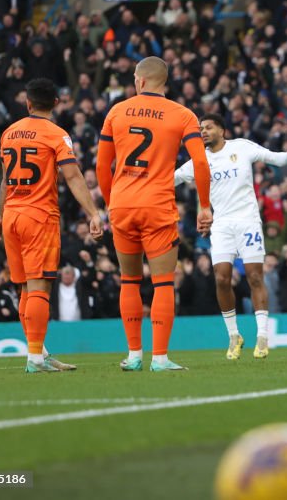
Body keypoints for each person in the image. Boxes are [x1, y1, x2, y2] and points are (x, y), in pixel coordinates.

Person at [96, 57, 212, 371]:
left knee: (129, 280)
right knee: (162, 283)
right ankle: (159, 358)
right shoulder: (183, 115)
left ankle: (134, 355)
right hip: (157, 206)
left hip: (122, 205)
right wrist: (204, 205)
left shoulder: (117, 111)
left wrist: (111, 203)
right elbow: (200, 163)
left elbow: (101, 165)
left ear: (141, 80)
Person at [0, 78, 104, 372]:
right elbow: (74, 176)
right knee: (39, 288)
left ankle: (38, 352)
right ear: (56, 102)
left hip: (12, 215)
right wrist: (93, 213)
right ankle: (36, 359)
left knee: (26, 289)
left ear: (27, 103)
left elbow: (4, 181)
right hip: (39, 216)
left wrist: (0, 216)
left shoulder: (9, 133)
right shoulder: (57, 134)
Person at [175, 113, 287, 360]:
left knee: (255, 276)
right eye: (201, 128)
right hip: (222, 225)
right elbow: (174, 178)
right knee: (222, 278)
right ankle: (234, 335)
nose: (203, 131)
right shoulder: (198, 159)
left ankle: (263, 337)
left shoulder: (241, 147)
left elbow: (271, 157)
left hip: (248, 222)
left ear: (222, 130)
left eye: (208, 127)